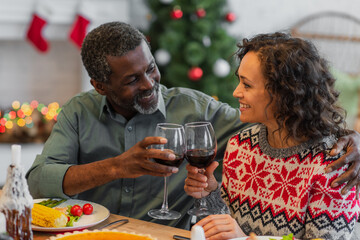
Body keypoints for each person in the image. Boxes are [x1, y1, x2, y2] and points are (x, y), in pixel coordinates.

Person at [26, 22, 360, 230]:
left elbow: (283, 117)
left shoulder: (196, 109)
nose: (149, 84)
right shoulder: (78, 111)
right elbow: (39, 181)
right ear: (100, 85)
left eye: (151, 69)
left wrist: (351, 136)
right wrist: (117, 167)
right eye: (131, 79)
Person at [184, 32, 360, 239]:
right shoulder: (241, 145)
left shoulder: (333, 164)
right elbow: (229, 225)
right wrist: (211, 193)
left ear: (285, 92)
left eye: (247, 85)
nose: (236, 92)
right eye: (239, 81)